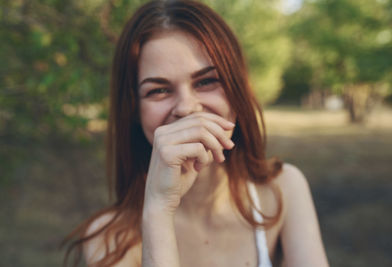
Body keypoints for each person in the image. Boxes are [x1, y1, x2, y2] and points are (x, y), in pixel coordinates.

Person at [64, 0, 329, 266]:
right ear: (133, 110)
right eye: (158, 90)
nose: (187, 108)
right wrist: (158, 210)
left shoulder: (282, 190)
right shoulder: (109, 240)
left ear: (237, 91)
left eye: (206, 81)